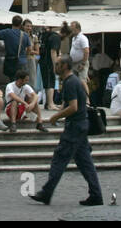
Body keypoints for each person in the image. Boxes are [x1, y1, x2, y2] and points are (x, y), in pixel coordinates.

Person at [28, 55, 103, 207]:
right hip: (81, 126)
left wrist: (56, 117)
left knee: (60, 159)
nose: (55, 67)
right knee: (85, 163)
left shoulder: (70, 82)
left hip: (74, 127)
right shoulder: (73, 80)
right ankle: (96, 195)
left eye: (57, 64)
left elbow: (73, 107)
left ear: (65, 66)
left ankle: (46, 193)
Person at [4, 69, 46, 133]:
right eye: (26, 80)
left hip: (23, 109)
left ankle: (39, 123)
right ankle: (13, 124)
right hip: (11, 109)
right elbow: (13, 96)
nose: (27, 81)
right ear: (20, 80)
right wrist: (25, 103)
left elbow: (35, 95)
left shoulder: (26, 86)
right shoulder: (10, 86)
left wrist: (32, 104)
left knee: (34, 101)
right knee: (14, 101)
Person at [39, 25, 61, 109]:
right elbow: (53, 51)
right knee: (51, 82)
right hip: (49, 62)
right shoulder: (56, 37)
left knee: (46, 82)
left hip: (42, 61)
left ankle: (48, 103)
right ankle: (51, 103)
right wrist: (55, 64)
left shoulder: (45, 35)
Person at [68, 22, 90, 86]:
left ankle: (86, 96)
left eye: (72, 27)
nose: (71, 29)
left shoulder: (82, 38)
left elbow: (86, 51)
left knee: (82, 81)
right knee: (74, 81)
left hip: (81, 62)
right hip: (74, 63)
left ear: (77, 28)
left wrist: (83, 63)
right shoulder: (73, 38)